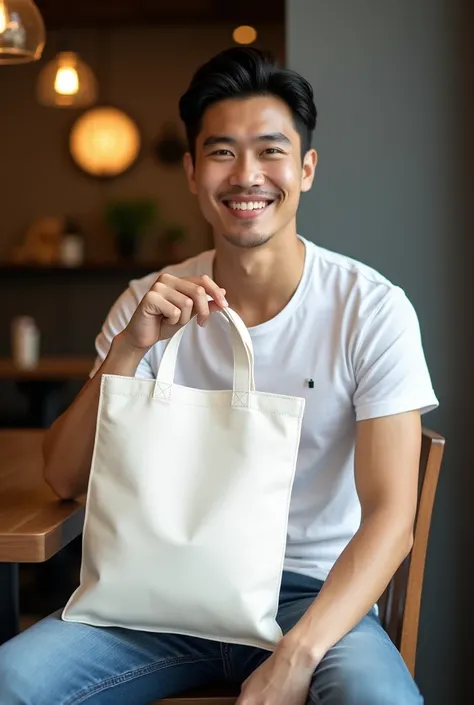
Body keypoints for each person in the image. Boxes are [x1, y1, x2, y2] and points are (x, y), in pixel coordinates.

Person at [0, 47, 438, 705]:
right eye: (223, 152)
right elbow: (63, 476)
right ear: (191, 171)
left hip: (313, 596)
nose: (248, 175)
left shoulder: (369, 308)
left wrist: (297, 653)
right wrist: (127, 349)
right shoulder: (146, 300)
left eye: (270, 150)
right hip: (157, 597)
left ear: (307, 168)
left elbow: (390, 517)